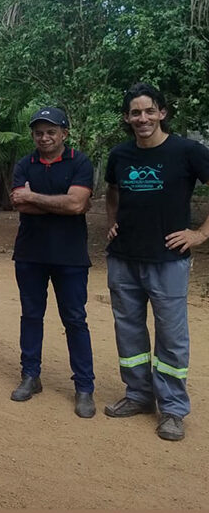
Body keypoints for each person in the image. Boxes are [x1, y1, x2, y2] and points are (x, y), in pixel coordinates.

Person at [103, 83, 209, 442]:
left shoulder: (188, 151)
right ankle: (138, 396)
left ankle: (173, 409)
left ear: (162, 112)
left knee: (171, 337)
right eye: (135, 112)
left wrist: (200, 234)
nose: (143, 118)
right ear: (127, 118)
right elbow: (113, 191)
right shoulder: (120, 155)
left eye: (149, 111)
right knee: (128, 330)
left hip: (168, 260)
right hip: (124, 259)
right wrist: (112, 221)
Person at [9, 107, 95, 418]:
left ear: (64, 133)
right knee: (31, 315)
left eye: (50, 131)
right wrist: (60, 202)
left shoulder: (80, 161)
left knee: (75, 319)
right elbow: (20, 204)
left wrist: (37, 198)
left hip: (70, 257)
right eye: (38, 132)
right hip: (30, 254)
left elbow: (76, 204)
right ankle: (31, 376)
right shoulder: (25, 164)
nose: (44, 137)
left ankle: (84, 387)